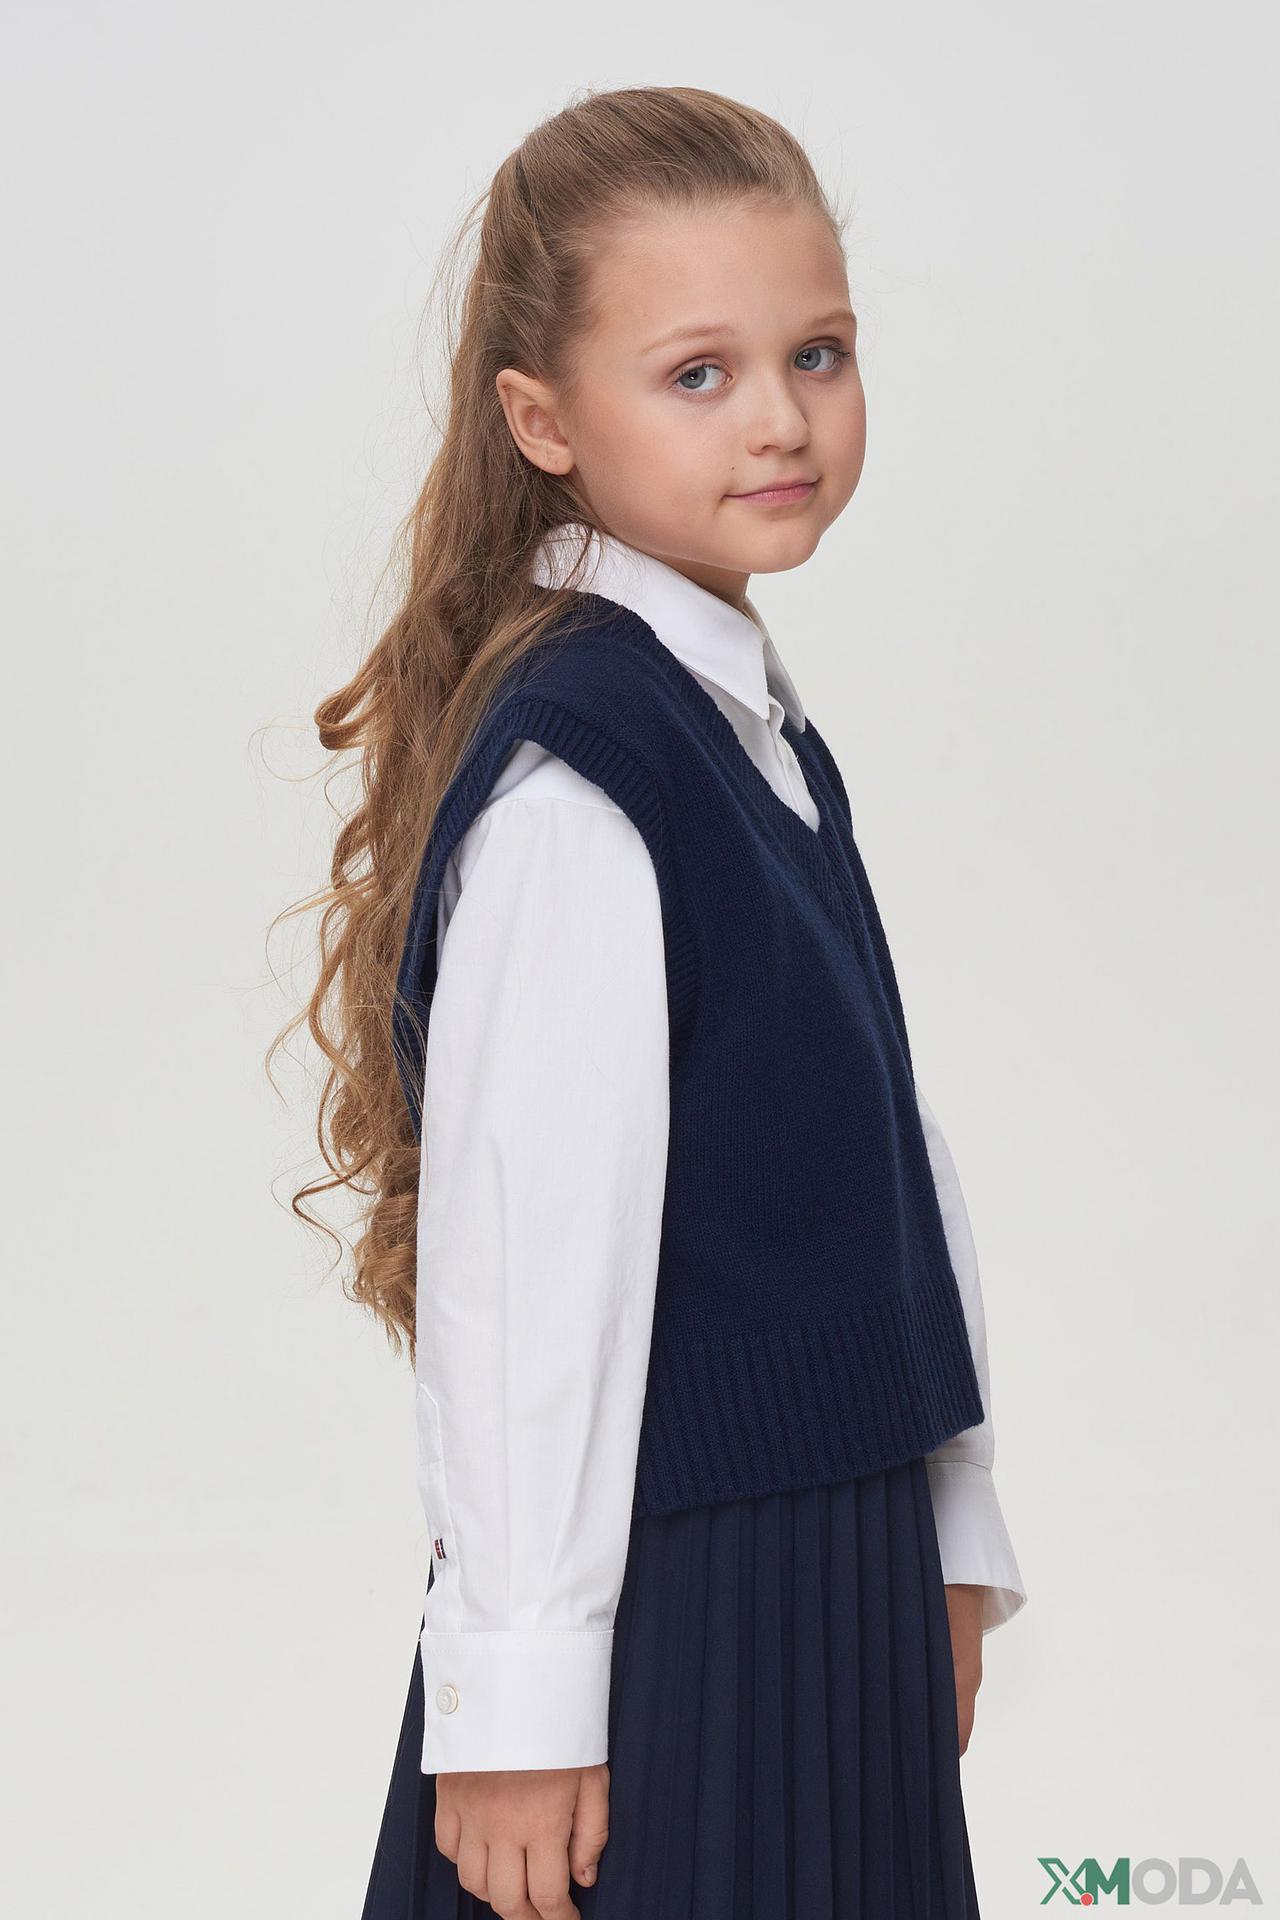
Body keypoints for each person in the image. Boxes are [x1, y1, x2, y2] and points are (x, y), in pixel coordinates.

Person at [291, 83, 1028, 1919]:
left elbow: (877, 1158)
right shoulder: (588, 775)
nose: (782, 418)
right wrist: (520, 1695)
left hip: (831, 1550)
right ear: (541, 421)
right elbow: (528, 1270)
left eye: (818, 353)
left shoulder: (746, 726)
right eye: (699, 373)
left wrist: (948, 1516)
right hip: (690, 1597)